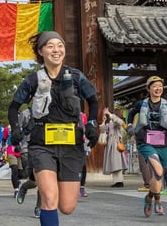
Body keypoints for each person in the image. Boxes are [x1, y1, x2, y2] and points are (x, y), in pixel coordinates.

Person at [7, 30, 99, 226]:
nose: (56, 50)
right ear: (41, 51)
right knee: (49, 199)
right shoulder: (33, 79)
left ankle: (36, 181)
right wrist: (15, 128)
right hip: (42, 144)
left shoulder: (76, 76)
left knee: (66, 206)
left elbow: (93, 99)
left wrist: (91, 123)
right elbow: (14, 106)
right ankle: (41, 180)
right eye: (50, 46)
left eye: (60, 46)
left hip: (71, 145)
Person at [127, 76, 167, 217]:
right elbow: (131, 113)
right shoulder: (141, 104)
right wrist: (130, 125)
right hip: (145, 141)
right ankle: (158, 201)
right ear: (148, 88)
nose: (158, 89)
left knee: (159, 174)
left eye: (160, 86)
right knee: (157, 170)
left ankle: (150, 197)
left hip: (163, 142)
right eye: (155, 86)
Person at [101, 108, 127, 188]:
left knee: (116, 163)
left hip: (115, 144)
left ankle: (119, 181)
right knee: (113, 163)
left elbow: (119, 121)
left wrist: (109, 113)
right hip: (110, 144)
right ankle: (117, 181)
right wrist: (104, 121)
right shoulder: (111, 122)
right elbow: (102, 130)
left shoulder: (117, 122)